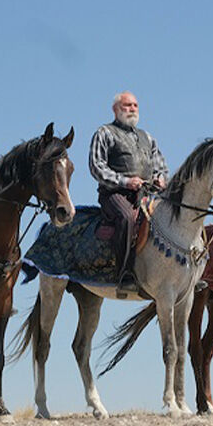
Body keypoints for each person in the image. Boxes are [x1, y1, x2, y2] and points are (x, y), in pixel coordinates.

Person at [89, 91, 169, 294]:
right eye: (127, 105)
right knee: (127, 218)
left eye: (135, 105)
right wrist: (125, 181)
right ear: (115, 109)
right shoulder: (104, 133)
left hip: (146, 194)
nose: (132, 109)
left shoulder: (147, 137)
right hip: (115, 194)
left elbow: (161, 166)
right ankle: (124, 273)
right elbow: (97, 167)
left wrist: (160, 179)